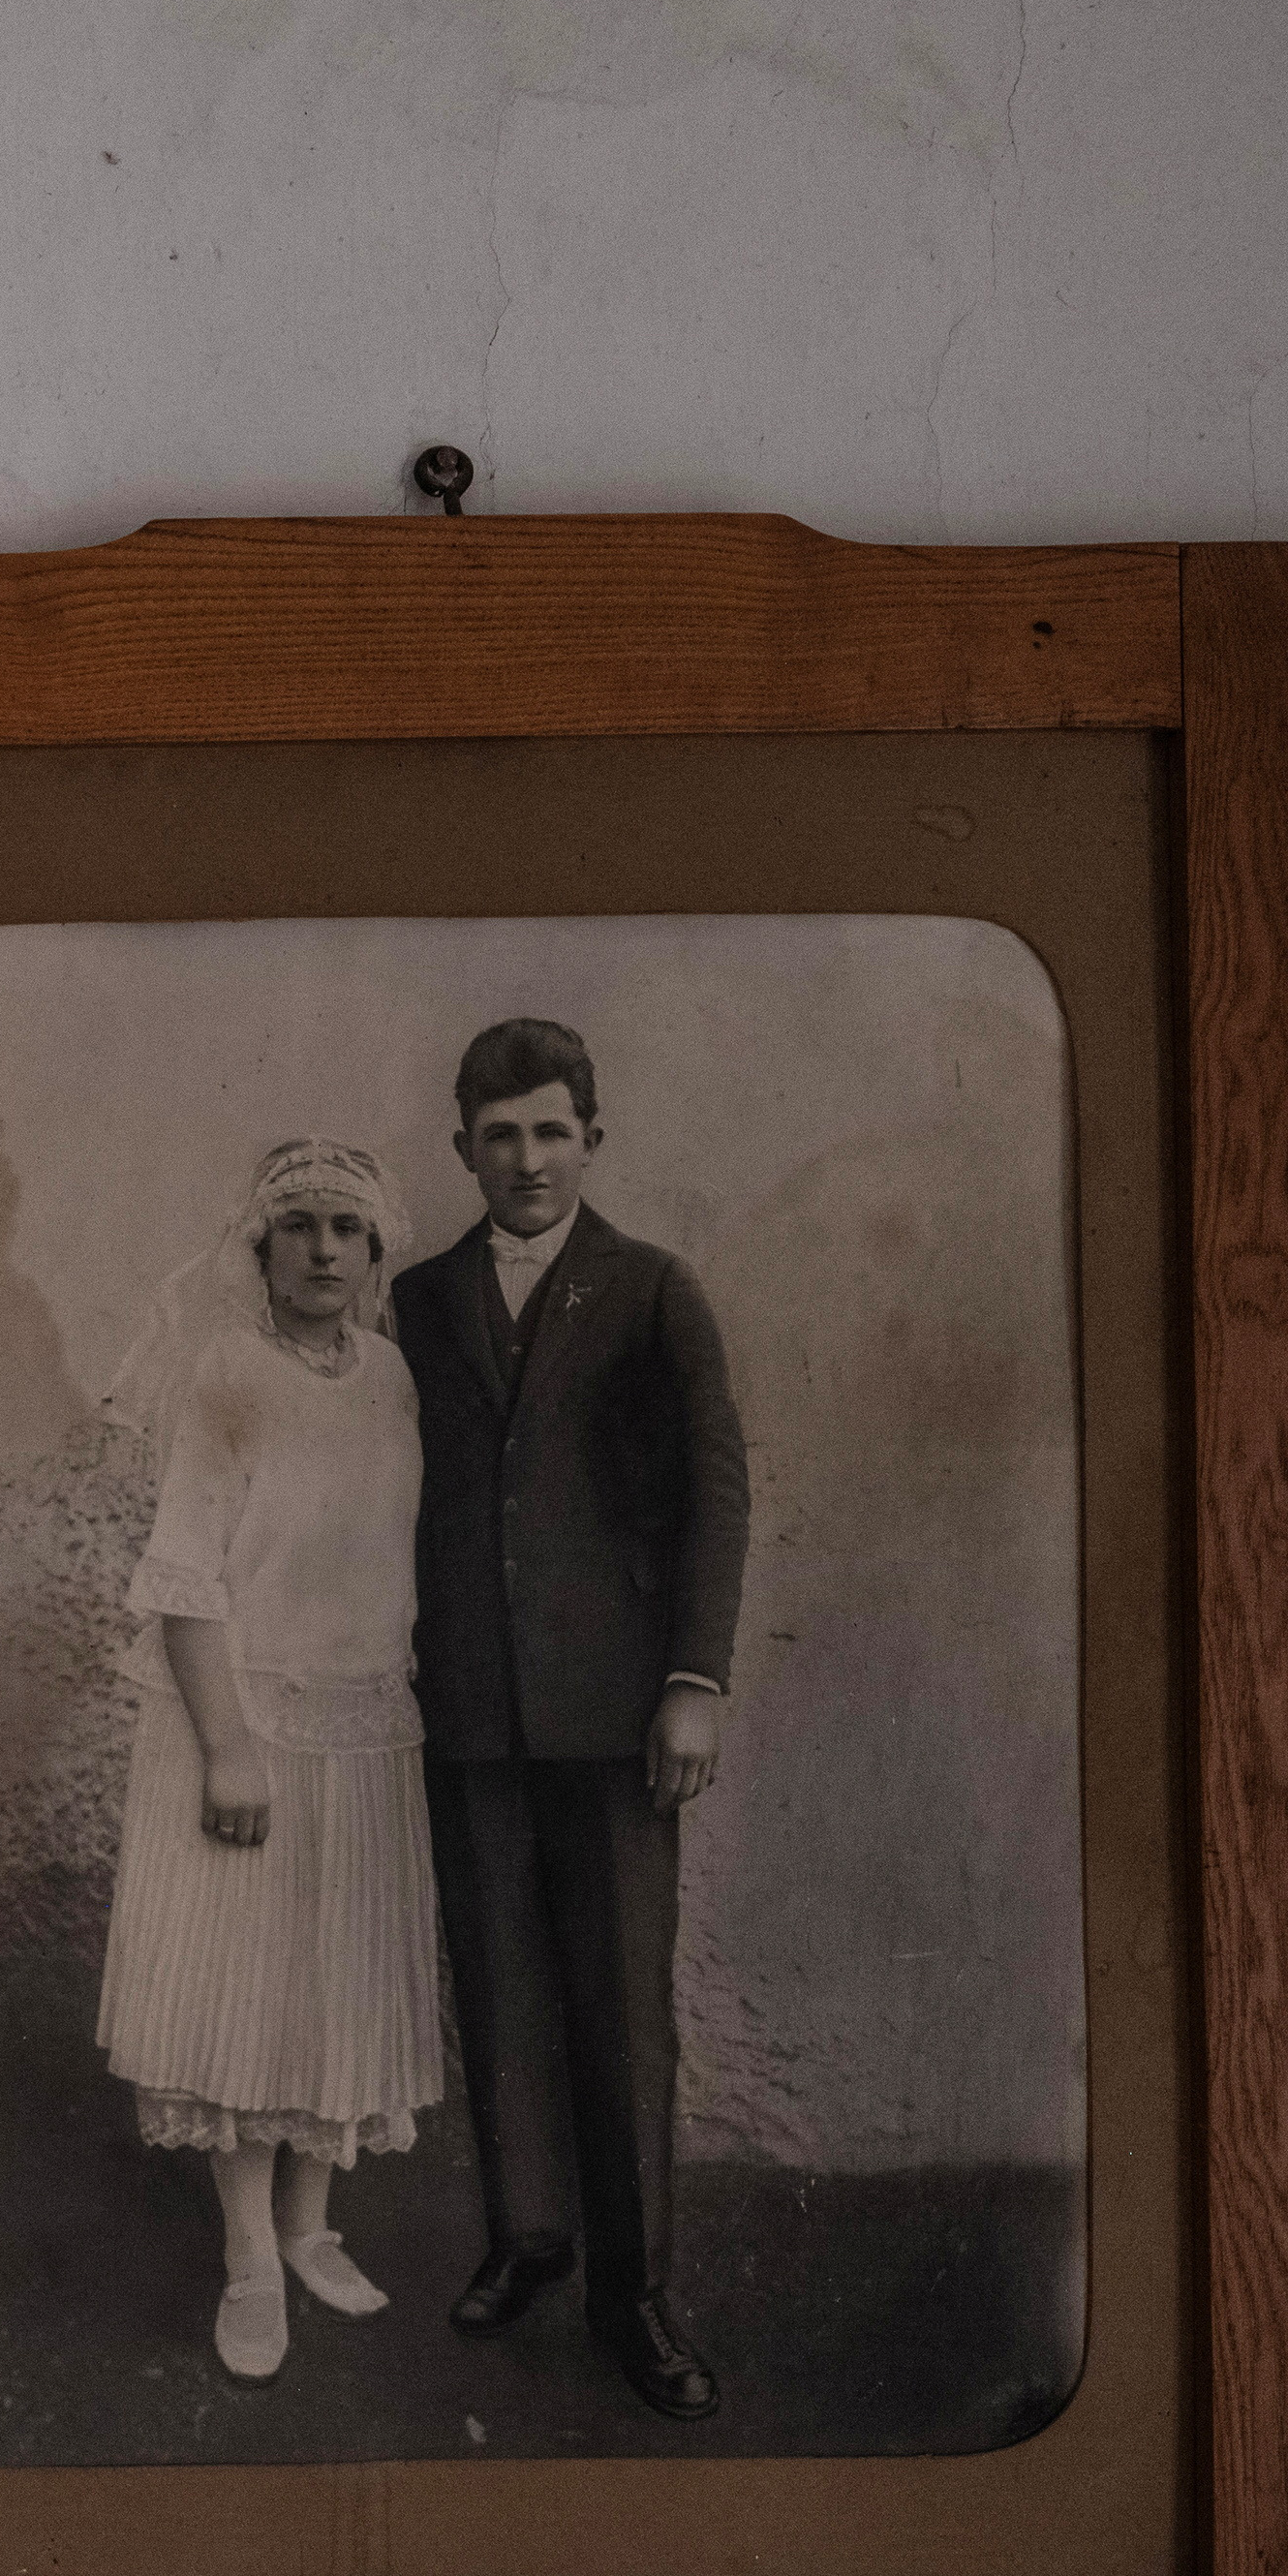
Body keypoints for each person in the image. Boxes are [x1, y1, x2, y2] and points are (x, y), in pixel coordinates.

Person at [385, 1018, 748, 2424]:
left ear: (591, 1137)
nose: (526, 1159)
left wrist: (691, 1683)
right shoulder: (412, 1303)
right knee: (499, 1991)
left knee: (617, 2001)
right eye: (498, 1135)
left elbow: (714, 1492)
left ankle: (634, 2291)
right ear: (461, 1146)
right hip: (466, 1713)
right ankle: (527, 2236)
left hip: (616, 1721)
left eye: (550, 1131)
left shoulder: (653, 1290)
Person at [95, 1136, 456, 2383]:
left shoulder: (394, 1377)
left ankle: (308, 2228)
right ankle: (248, 2259)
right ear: (259, 1249)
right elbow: (187, 1576)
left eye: (343, 1231)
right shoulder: (225, 1372)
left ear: (372, 1251)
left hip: (364, 1725)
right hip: (242, 1728)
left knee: (334, 1990)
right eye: (295, 1227)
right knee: (243, 1999)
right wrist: (228, 1751)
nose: (321, 1250)